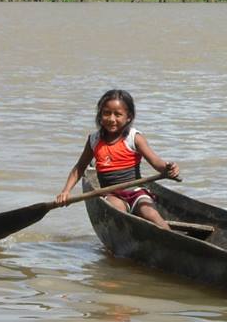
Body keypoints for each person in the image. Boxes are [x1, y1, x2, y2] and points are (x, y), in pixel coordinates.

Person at [56, 89, 179, 230]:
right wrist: (66, 191)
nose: (112, 119)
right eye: (106, 113)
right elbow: (79, 168)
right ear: (100, 115)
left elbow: (156, 162)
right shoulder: (94, 140)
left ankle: (174, 239)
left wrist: (168, 168)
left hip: (135, 191)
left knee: (151, 213)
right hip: (111, 193)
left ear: (128, 117)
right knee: (118, 212)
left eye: (118, 114)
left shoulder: (134, 138)